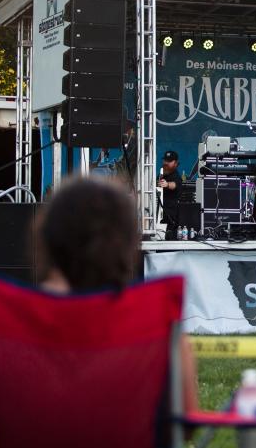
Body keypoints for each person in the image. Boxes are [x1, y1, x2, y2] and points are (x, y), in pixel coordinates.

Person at [32, 177, 199, 415]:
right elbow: (183, 423)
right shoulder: (160, 325)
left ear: (46, 238)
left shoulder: (4, 319)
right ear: (126, 243)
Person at [157, 150, 181, 234]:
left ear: (175, 163)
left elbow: (175, 184)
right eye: (165, 160)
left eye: (169, 161)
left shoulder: (176, 175)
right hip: (160, 214)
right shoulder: (162, 173)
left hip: (171, 216)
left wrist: (167, 184)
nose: (166, 163)